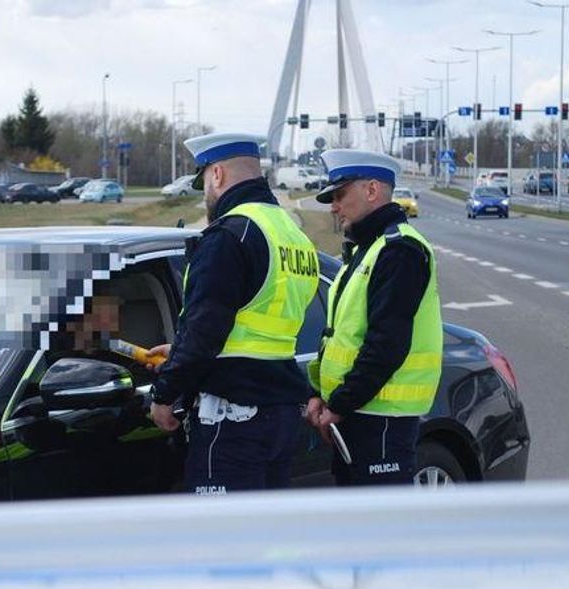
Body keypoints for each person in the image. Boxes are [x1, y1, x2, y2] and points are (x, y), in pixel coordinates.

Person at [148, 132, 320, 494]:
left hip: (234, 417)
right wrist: (178, 350)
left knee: (224, 541)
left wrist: (165, 396)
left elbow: (204, 330)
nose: (207, 194)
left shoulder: (229, 235)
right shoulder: (293, 236)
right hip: (282, 412)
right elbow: (252, 322)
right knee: (265, 535)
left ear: (218, 175)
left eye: (205, 182)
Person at [305, 149, 443, 486]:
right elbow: (340, 338)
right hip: (357, 415)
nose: (334, 207)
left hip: (382, 420)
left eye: (339, 195)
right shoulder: (368, 248)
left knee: (381, 533)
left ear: (371, 190)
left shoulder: (399, 250)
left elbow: (386, 345)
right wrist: (321, 395)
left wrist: (338, 402)